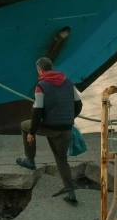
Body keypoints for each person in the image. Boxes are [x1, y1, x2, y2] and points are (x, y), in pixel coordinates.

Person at [16, 57, 83, 205]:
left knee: (24, 125)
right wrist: (69, 119)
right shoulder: (68, 82)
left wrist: (32, 133)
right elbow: (79, 104)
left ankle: (30, 160)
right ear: (52, 68)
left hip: (50, 127)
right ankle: (71, 192)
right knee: (61, 159)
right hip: (66, 128)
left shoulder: (41, 85)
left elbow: (37, 111)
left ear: (39, 70)